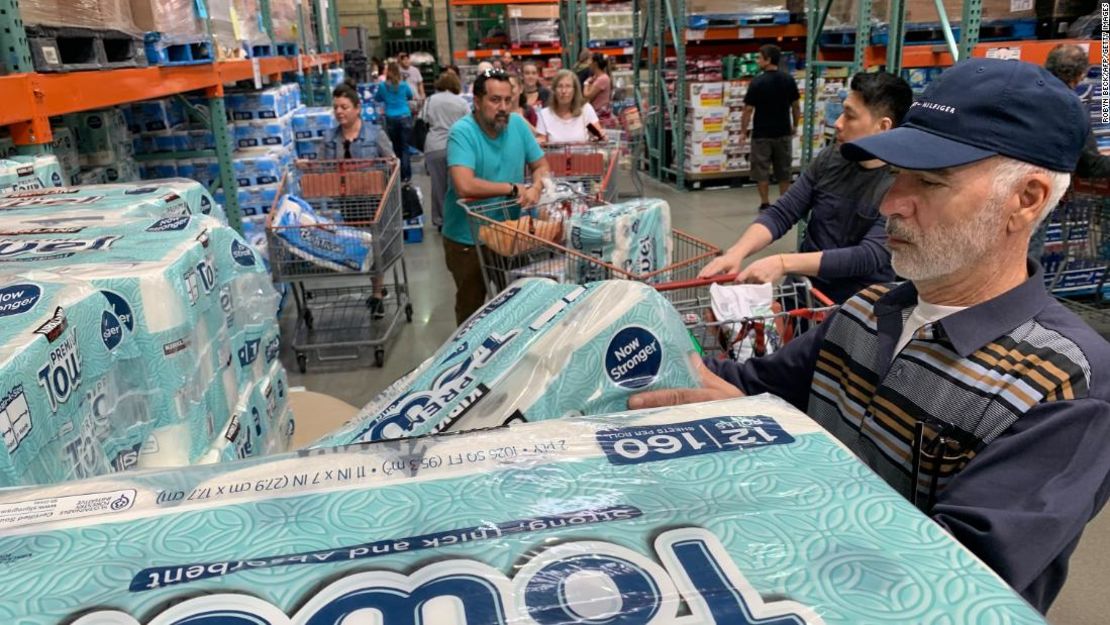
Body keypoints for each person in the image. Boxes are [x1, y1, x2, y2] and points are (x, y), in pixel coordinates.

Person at [632, 58, 1110, 615]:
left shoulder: (1067, 384)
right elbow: (745, 385)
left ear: (1024, 200)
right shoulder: (866, 311)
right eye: (894, 176)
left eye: (929, 182)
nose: (889, 204)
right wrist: (625, 342)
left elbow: (948, 580)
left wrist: (779, 445)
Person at [700, 71, 912, 303]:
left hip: (855, 307)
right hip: (806, 290)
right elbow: (784, 211)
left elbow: (868, 256)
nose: (838, 123)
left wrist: (783, 263)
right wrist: (737, 252)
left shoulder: (901, 183)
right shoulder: (831, 158)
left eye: (850, 116)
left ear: (883, 127)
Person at [443, 69, 551, 324]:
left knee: (517, 303)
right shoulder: (462, 132)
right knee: (472, 310)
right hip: (467, 238)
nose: (502, 107)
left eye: (507, 100)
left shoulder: (517, 126)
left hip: (509, 233)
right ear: (477, 102)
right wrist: (512, 189)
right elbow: (464, 185)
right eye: (494, 100)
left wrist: (536, 187)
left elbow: (541, 165)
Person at [322, 82, 394, 317]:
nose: (339, 112)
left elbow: (391, 161)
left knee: (375, 246)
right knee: (359, 247)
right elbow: (322, 168)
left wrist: (389, 166)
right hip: (347, 202)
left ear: (357, 108)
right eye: (336, 108)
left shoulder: (375, 134)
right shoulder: (330, 138)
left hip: (374, 201)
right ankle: (375, 288)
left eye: (344, 106)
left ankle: (376, 293)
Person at [741, 44, 801, 209]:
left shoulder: (757, 82)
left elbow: (748, 109)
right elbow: (795, 106)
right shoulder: (788, 80)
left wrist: (743, 131)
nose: (758, 60)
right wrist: (795, 125)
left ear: (767, 60)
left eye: (760, 57)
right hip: (783, 131)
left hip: (761, 133)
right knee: (784, 170)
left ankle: (765, 203)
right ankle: (784, 203)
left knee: (761, 170)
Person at [1045, 43, 1110, 179]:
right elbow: (1090, 167)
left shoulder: (1021, 91)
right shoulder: (1072, 110)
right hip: (1041, 181)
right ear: (1081, 75)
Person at [423, 71, 470, 229]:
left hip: (434, 147)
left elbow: (423, 120)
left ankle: (440, 220)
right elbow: (469, 123)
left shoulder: (430, 100)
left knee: (437, 186)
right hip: (456, 147)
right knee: (457, 185)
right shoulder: (461, 102)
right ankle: (456, 219)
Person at [535, 70, 606, 145]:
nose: (564, 91)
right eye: (560, 86)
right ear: (554, 90)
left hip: (583, 156)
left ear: (575, 90)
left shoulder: (586, 109)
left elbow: (598, 136)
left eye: (568, 86)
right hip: (555, 156)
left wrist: (601, 137)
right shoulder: (544, 114)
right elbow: (541, 142)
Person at [374, 62, 415, 182]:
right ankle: (407, 175)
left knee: (396, 147)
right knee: (405, 147)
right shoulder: (403, 85)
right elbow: (410, 96)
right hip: (405, 116)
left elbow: (377, 98)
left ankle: (398, 174)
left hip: (391, 117)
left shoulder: (383, 86)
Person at [582, 53, 612, 120]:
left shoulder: (602, 79)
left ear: (595, 63)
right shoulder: (597, 77)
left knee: (592, 129)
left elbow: (587, 95)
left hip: (599, 115)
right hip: (596, 113)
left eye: (590, 60)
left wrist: (586, 83)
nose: (588, 63)